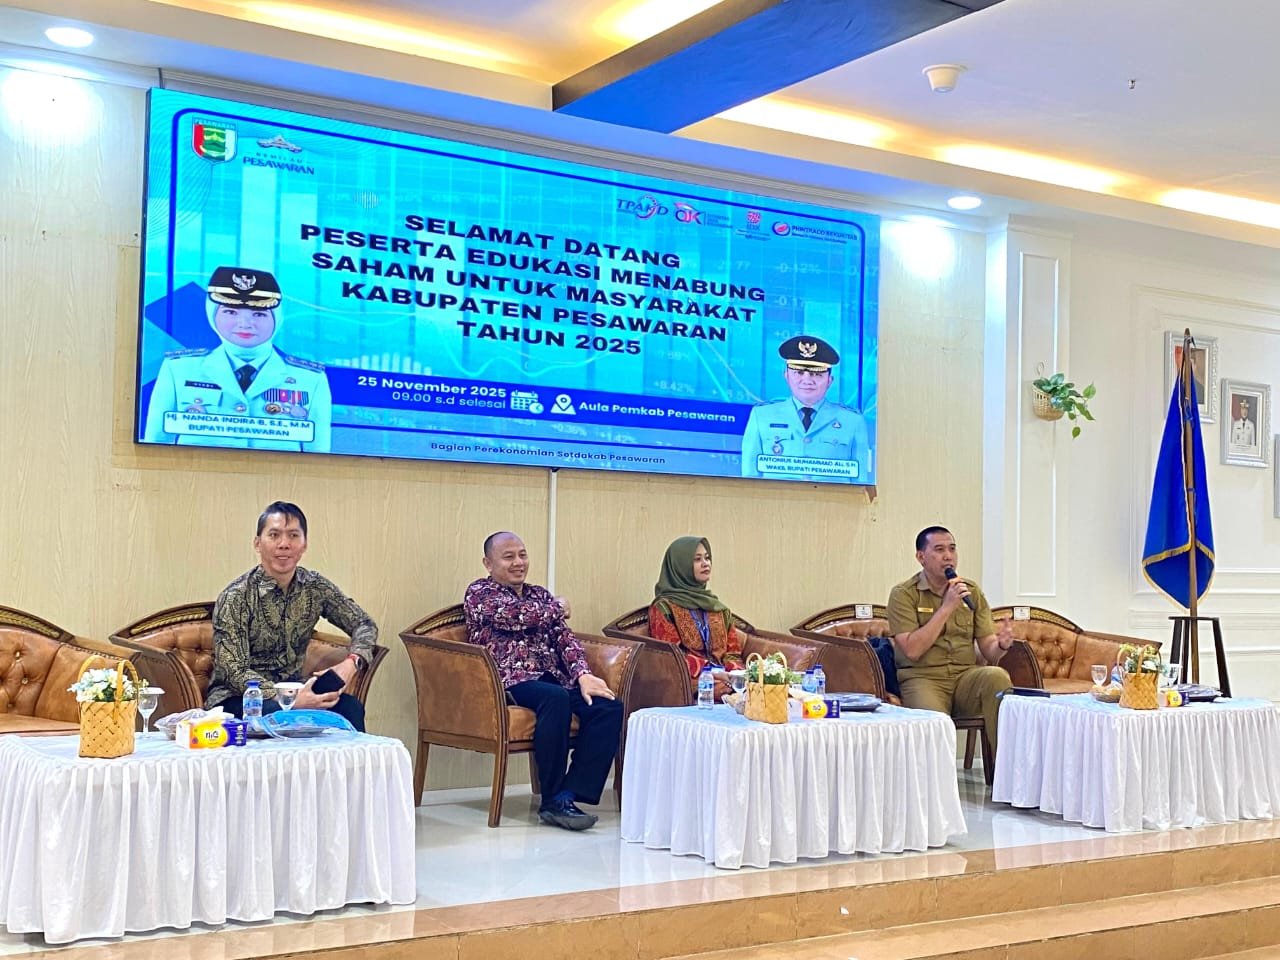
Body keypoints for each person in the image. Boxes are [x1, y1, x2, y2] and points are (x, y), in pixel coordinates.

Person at [464, 532, 623, 830]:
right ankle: (550, 799)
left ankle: (567, 795)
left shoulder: (539, 595)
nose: (518, 562)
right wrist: (558, 607)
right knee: (555, 698)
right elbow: (516, 616)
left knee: (607, 706)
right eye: (508, 557)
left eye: (522, 555)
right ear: (488, 563)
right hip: (509, 680)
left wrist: (583, 675)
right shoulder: (480, 593)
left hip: (553, 677)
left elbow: (565, 640)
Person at [204, 501, 375, 731]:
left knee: (350, 707)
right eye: (274, 535)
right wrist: (287, 700)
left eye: (293, 535)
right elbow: (233, 670)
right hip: (240, 698)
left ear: (304, 545)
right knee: (278, 716)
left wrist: (351, 663)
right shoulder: (236, 596)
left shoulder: (315, 587)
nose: (284, 544)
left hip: (297, 691)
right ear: (257, 543)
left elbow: (364, 624)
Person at [143, 267, 332, 452]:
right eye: (231, 312)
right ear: (212, 314)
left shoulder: (311, 379)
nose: (245, 324)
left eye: (259, 314)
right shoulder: (179, 369)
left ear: (277, 318)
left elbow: (318, 454)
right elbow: (156, 444)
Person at [885, 526, 1014, 753]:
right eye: (939, 550)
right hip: (923, 678)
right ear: (921, 557)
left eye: (952, 549)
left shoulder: (971, 591)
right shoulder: (903, 594)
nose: (948, 556)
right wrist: (946, 608)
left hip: (965, 678)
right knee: (935, 725)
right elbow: (912, 650)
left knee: (997, 676)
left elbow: (988, 649)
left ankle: (1005, 768)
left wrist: (1001, 645)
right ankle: (939, 778)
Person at [740, 335, 871, 482]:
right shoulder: (761, 416)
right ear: (786, 376)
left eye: (816, 374)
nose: (807, 380)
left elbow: (860, 483)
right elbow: (750, 479)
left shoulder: (852, 421)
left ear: (830, 380)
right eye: (799, 373)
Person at [648, 536, 745, 701]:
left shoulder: (718, 608)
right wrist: (712, 673)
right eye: (697, 559)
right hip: (691, 681)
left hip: (725, 680)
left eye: (707, 558)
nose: (706, 564)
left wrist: (735, 674)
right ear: (680, 566)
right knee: (726, 692)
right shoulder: (664, 607)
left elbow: (733, 653)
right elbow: (672, 656)